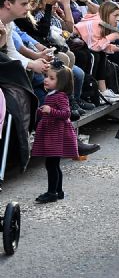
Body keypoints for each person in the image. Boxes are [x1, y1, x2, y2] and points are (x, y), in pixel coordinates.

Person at [31, 66, 83, 203]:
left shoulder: (60, 96)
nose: (46, 80)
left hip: (56, 134)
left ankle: (51, 192)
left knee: (51, 164)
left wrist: (51, 111)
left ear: (62, 83)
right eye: (46, 76)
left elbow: (66, 113)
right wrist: (41, 111)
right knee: (54, 164)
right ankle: (58, 191)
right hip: (51, 132)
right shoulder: (52, 94)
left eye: (51, 78)